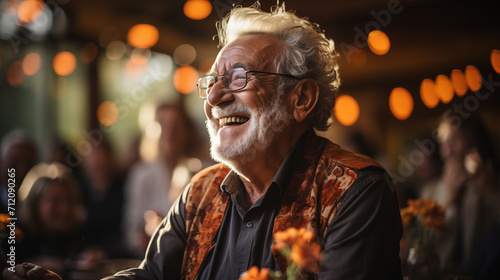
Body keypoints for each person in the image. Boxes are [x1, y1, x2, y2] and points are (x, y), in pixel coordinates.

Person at [3, 3, 403, 280]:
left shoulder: (356, 191)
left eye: (239, 78)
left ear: (301, 99)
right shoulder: (201, 191)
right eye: (212, 82)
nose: (213, 98)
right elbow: (151, 277)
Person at [123, 103, 202, 258]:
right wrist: (146, 235)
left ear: (187, 131)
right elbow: (130, 231)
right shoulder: (140, 175)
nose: (169, 133)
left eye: (176, 125)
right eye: (163, 125)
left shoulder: (201, 172)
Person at [430, 115, 500, 278]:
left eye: (455, 140)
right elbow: (427, 244)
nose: (447, 151)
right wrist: (451, 199)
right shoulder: (431, 190)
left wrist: (492, 193)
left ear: (474, 144)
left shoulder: (490, 184)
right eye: (443, 141)